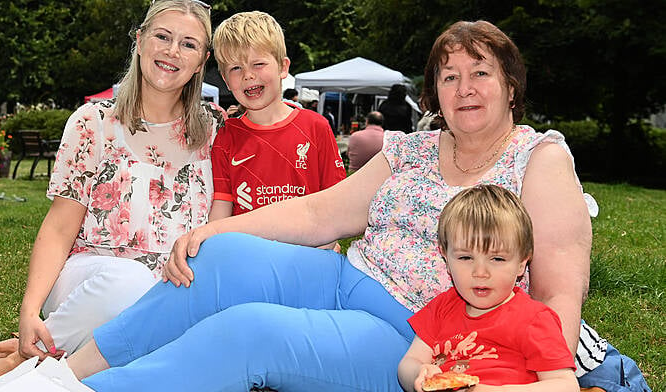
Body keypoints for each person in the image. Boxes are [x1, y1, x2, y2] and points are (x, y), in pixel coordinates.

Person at [67, 20, 597, 391]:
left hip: (419, 335)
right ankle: (65, 372)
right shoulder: (413, 147)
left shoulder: (539, 159)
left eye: (480, 73)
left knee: (250, 332)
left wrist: (535, 378)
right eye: (449, 76)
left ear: (510, 84)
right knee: (221, 261)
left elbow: (556, 295)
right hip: (347, 279)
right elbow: (321, 213)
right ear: (435, 90)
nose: (464, 88)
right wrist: (217, 232)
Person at [0, 0, 222, 389]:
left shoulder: (215, 130)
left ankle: (27, 360)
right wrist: (30, 309)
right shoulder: (93, 122)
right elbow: (58, 228)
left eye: (188, 44)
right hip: (89, 280)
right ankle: (16, 362)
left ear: (202, 60)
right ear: (139, 40)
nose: (173, 51)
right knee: (129, 284)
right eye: (163, 36)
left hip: (170, 291)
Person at [398, 185, 578, 392]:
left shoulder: (534, 319)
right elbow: (409, 362)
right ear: (446, 257)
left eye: (497, 258)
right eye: (465, 257)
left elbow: (566, 385)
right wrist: (420, 374)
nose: (480, 272)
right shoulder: (441, 308)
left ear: (522, 263)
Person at [207, 11, 345, 220]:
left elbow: (336, 201)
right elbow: (221, 210)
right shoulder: (226, 137)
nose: (248, 75)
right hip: (248, 251)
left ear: (283, 67)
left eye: (258, 64)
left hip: (308, 249)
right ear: (226, 80)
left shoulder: (316, 127)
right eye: (236, 68)